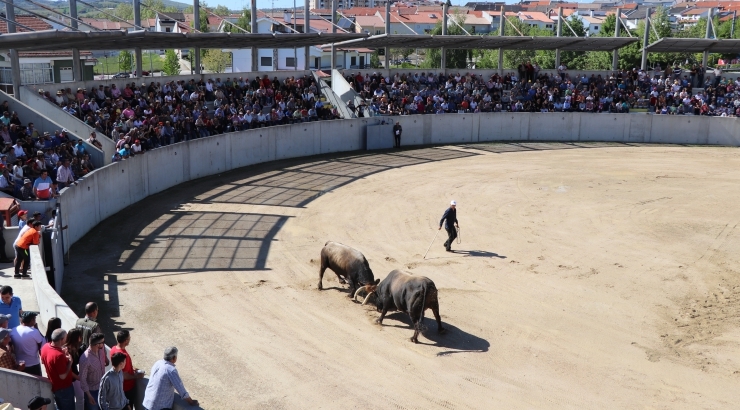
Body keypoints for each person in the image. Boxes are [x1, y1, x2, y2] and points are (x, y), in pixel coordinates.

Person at [40, 328, 75, 410]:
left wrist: (62, 352)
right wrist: (70, 362)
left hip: (56, 387)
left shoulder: (45, 347)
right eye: (66, 337)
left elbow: (44, 361)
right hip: (64, 389)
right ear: (61, 339)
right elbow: (62, 376)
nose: (67, 339)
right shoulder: (58, 356)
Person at [110, 330, 144, 407]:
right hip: (127, 388)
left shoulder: (113, 349)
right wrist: (137, 376)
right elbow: (124, 375)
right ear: (125, 341)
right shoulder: (124, 356)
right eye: (129, 338)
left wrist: (131, 368)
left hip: (120, 387)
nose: (130, 339)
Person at [79, 332, 108, 410]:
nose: (104, 344)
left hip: (102, 388)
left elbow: (104, 355)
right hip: (92, 392)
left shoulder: (101, 350)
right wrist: (89, 396)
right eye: (103, 342)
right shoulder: (85, 359)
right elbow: (82, 379)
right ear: (97, 345)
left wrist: (106, 360)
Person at [10, 311, 44, 376]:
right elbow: (42, 343)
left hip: (19, 364)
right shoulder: (34, 331)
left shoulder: (13, 330)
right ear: (32, 320)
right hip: (33, 364)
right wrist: (37, 329)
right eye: (34, 319)